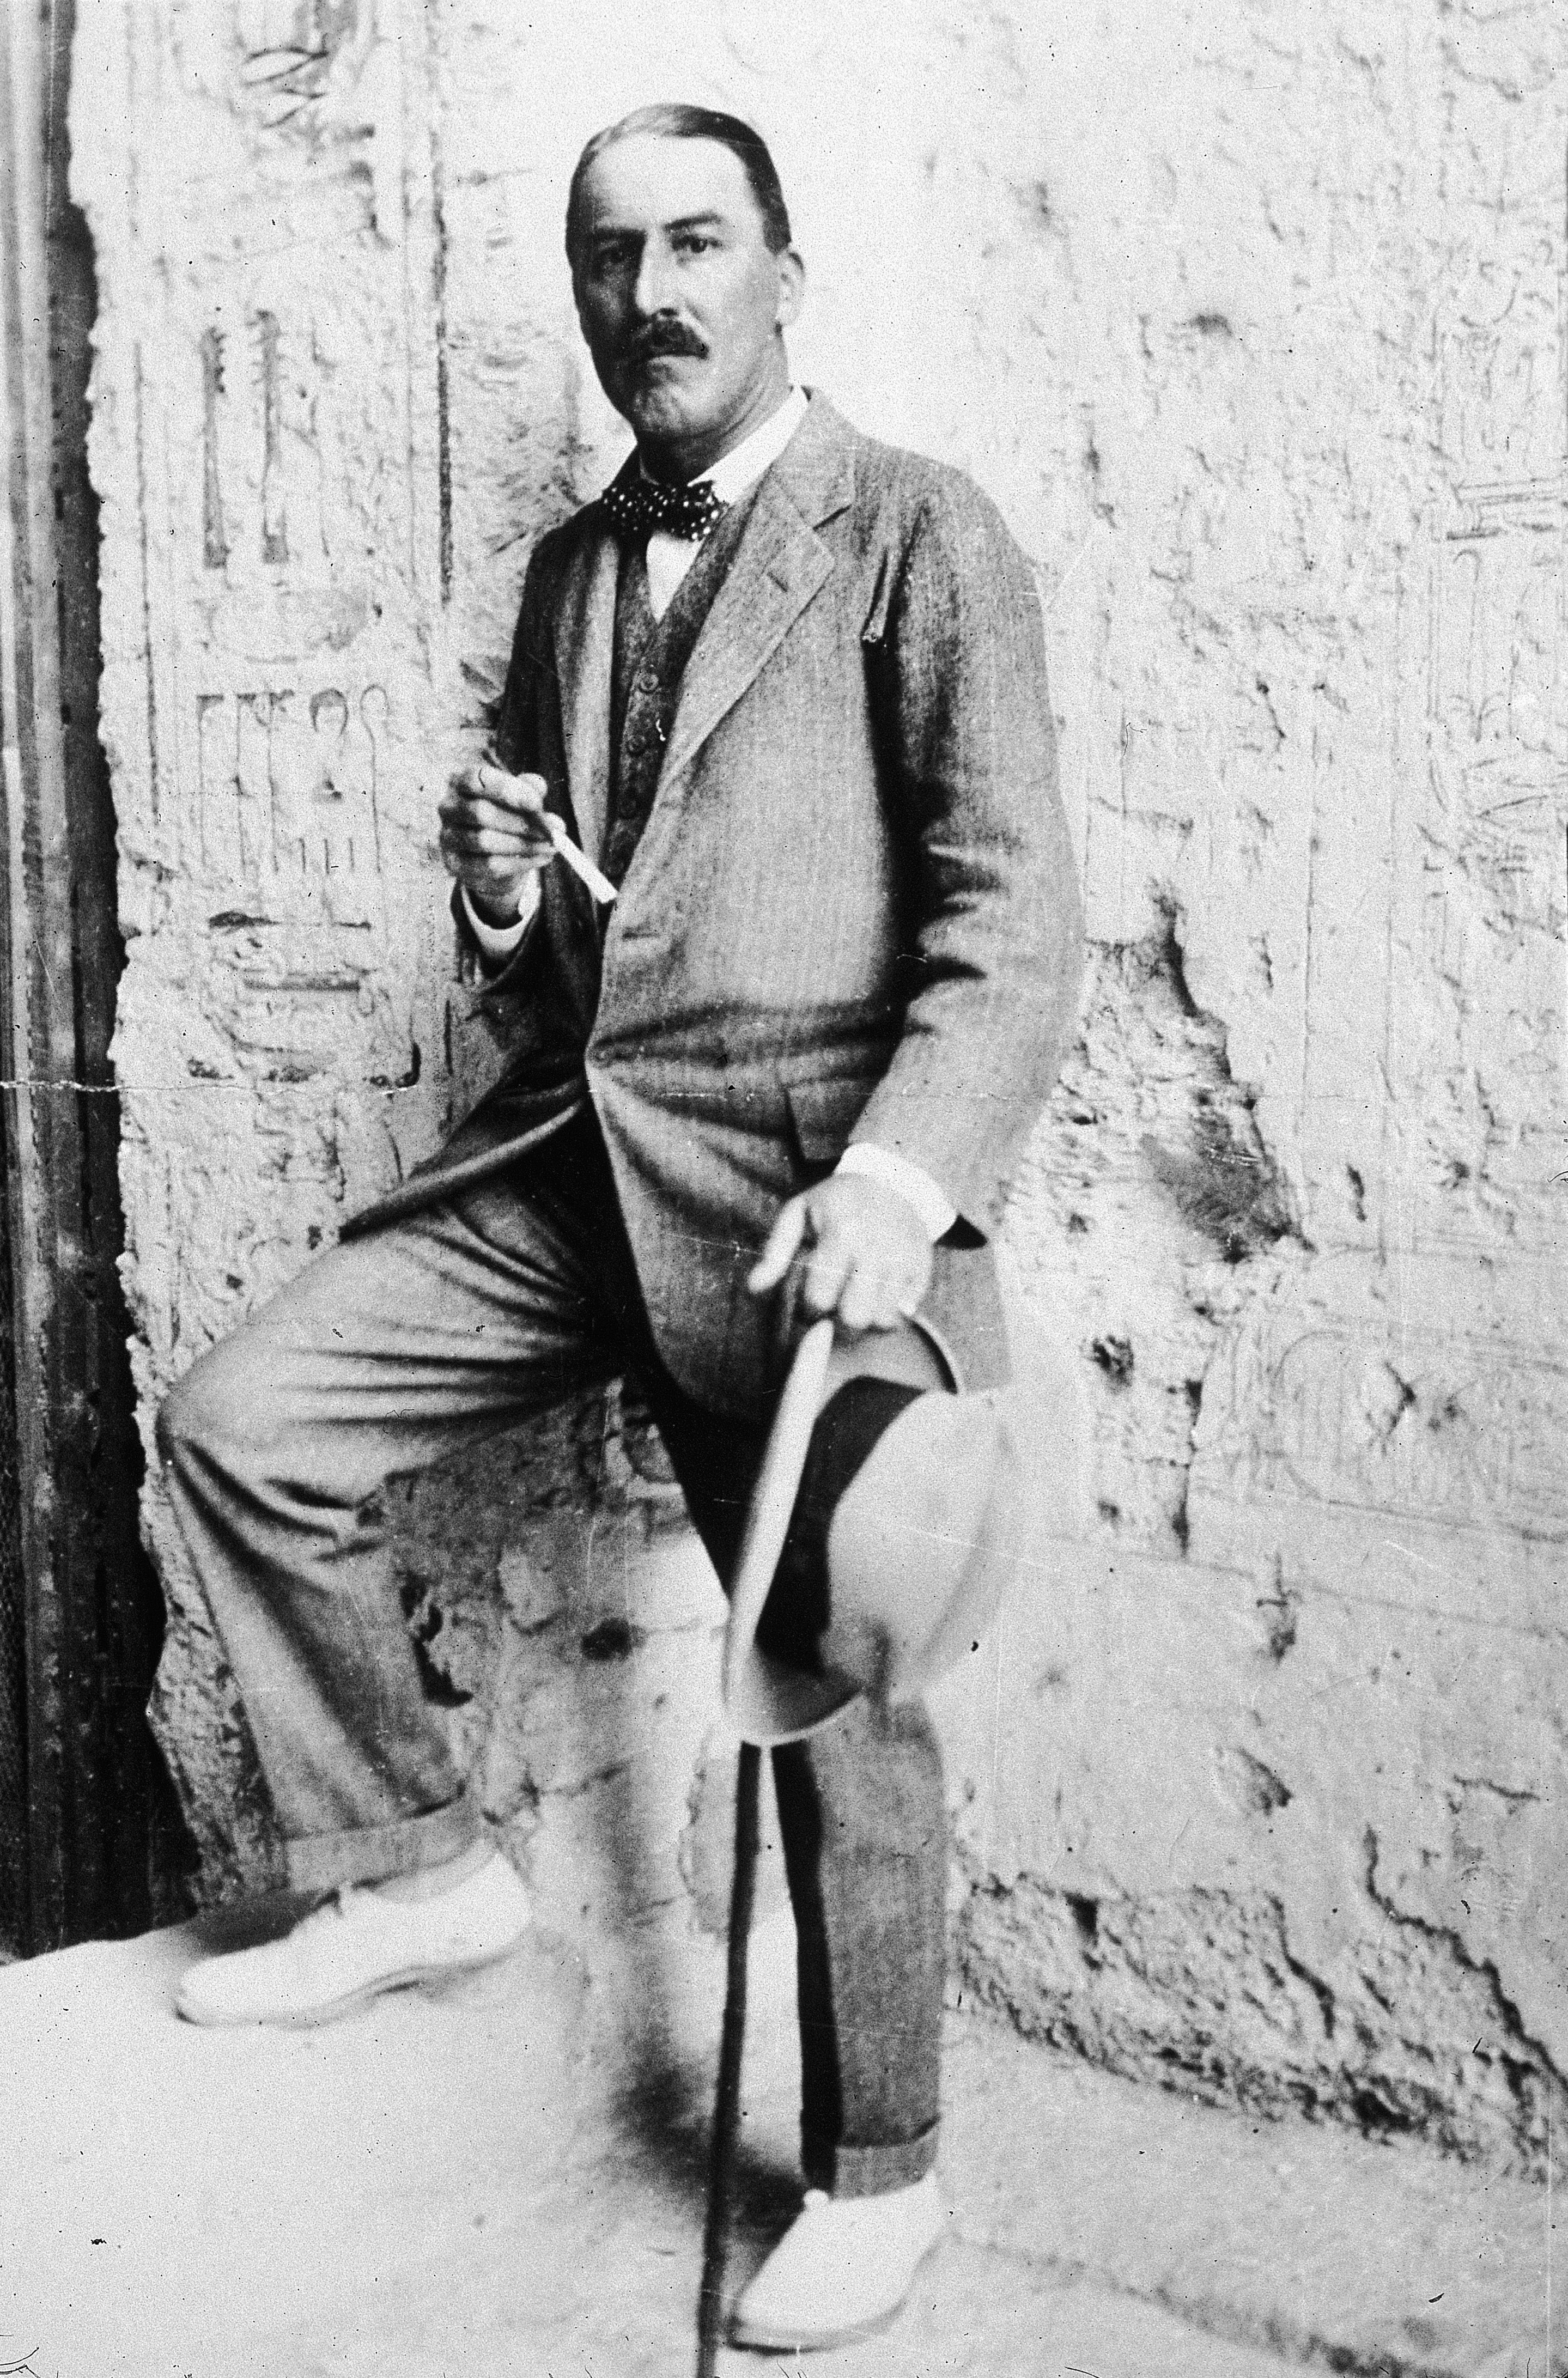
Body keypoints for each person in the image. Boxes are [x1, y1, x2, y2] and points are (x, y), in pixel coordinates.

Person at [157, 102, 1083, 2352]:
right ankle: (418, 1862)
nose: (649, 295)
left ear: (784, 270)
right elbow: (583, 959)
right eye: (609, 258)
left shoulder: (917, 535)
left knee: (840, 1670)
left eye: (694, 245)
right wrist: (504, 888)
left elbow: (1013, 917)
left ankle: (887, 2173)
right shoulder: (581, 569)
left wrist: (892, 1184)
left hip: (812, 1198)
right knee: (243, 1420)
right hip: (588, 1170)